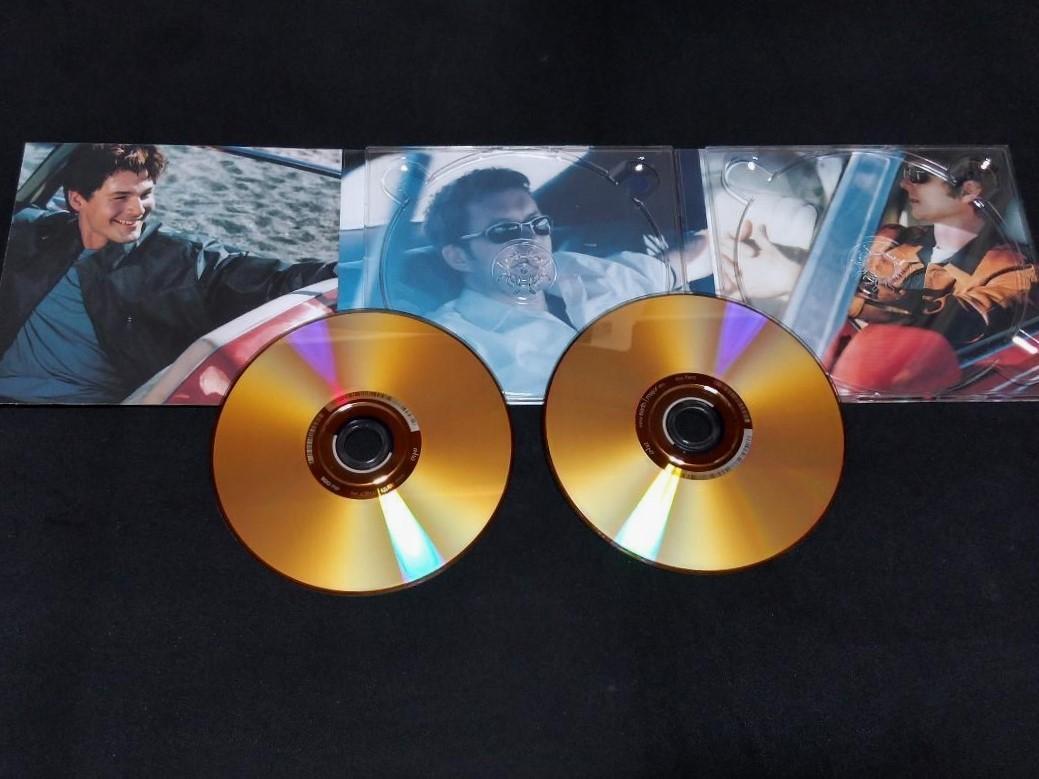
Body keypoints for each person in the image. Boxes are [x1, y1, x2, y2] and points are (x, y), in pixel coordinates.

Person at [0, 144, 337, 402]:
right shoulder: (36, 235)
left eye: (146, 194)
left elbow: (263, 278)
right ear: (77, 201)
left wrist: (345, 270)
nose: (137, 209)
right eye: (121, 196)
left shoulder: (175, 257)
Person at [422, 167, 673, 397]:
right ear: (459, 258)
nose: (532, 239)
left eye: (538, 224)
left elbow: (669, 267)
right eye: (505, 231)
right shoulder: (448, 345)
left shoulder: (574, 268)